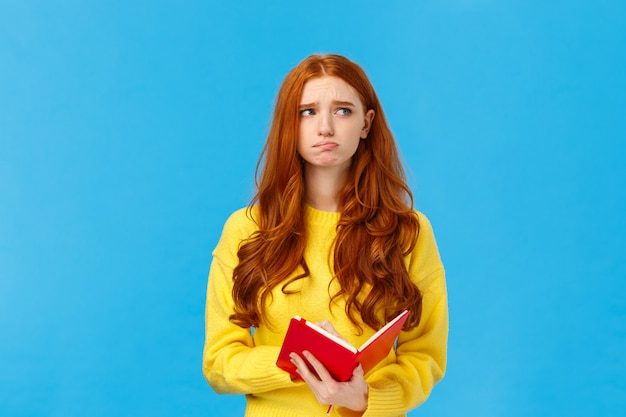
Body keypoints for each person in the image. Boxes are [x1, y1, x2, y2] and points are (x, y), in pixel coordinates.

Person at [203, 54, 448, 417]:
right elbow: (220, 363)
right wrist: (301, 362)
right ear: (290, 124)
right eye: (307, 112)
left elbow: (424, 356)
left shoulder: (408, 232)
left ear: (366, 124)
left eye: (343, 111)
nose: (325, 128)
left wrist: (365, 399)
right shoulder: (246, 229)